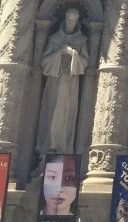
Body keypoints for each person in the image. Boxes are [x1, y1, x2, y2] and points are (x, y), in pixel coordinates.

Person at [37, 10, 89, 155]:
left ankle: (64, 147)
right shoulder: (54, 39)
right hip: (54, 81)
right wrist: (59, 54)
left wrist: (73, 54)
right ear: (65, 19)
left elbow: (85, 63)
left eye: (74, 20)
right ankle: (48, 147)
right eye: (69, 20)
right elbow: (44, 61)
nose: (71, 23)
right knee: (51, 112)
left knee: (67, 113)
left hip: (71, 82)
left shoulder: (82, 40)